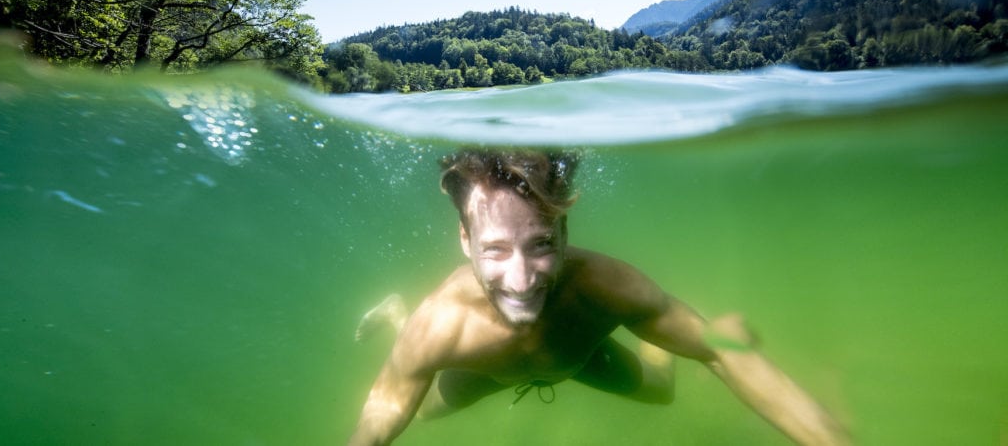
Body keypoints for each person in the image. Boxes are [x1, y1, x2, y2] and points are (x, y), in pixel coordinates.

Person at [348, 148, 849, 445]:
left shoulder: (607, 288)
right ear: (465, 242)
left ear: (564, 233)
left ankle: (663, 322)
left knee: (661, 388)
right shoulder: (439, 327)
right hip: (481, 371)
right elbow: (386, 405)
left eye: (541, 244)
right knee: (424, 410)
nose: (521, 282)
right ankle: (396, 313)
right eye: (495, 250)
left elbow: (721, 350)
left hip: (575, 356)